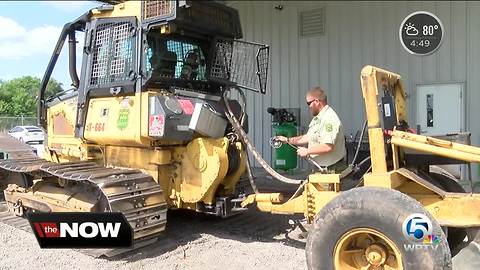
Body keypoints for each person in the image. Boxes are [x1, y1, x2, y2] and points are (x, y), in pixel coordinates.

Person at [275, 87, 347, 173]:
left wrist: (307, 151)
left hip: (331, 169)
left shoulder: (328, 119)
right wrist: (287, 140)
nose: (309, 107)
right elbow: (308, 137)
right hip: (321, 167)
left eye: (309, 103)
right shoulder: (319, 118)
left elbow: (328, 146)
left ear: (317, 102)